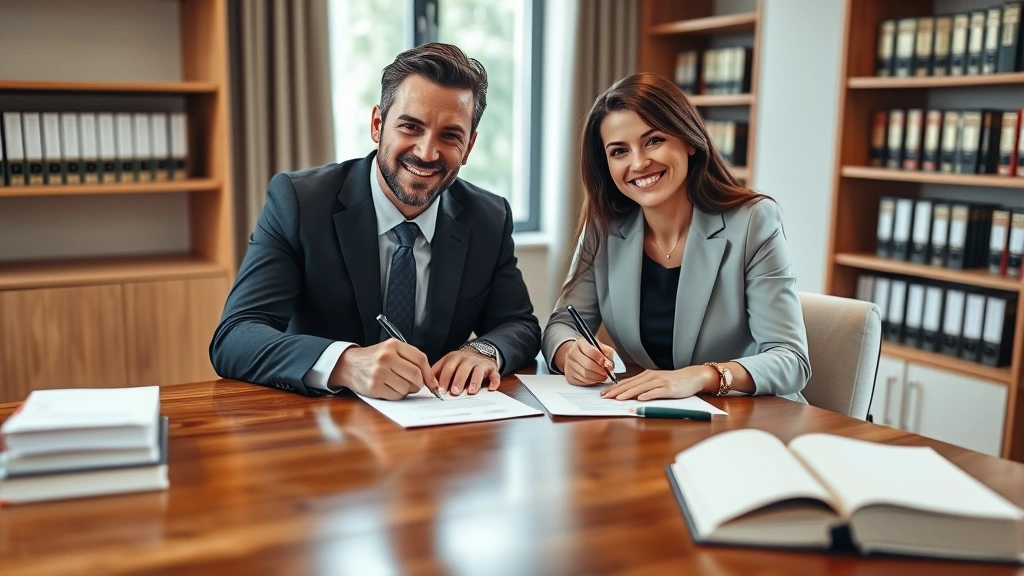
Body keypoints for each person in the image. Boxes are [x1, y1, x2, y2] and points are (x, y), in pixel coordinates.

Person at [211, 43, 541, 400]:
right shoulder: (300, 202)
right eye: (410, 127)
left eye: (450, 135)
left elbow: (519, 324)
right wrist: (345, 363)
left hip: (439, 427)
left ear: (470, 145)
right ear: (377, 124)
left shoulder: (489, 218)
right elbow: (235, 336)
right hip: (319, 425)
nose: (427, 153)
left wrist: (483, 351)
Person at [542, 72, 810, 402]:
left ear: (688, 140)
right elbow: (561, 324)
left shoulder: (753, 221)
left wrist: (702, 376)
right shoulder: (604, 226)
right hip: (652, 419)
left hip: (749, 421)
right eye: (619, 151)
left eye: (653, 140)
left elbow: (791, 359)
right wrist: (570, 353)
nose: (639, 163)